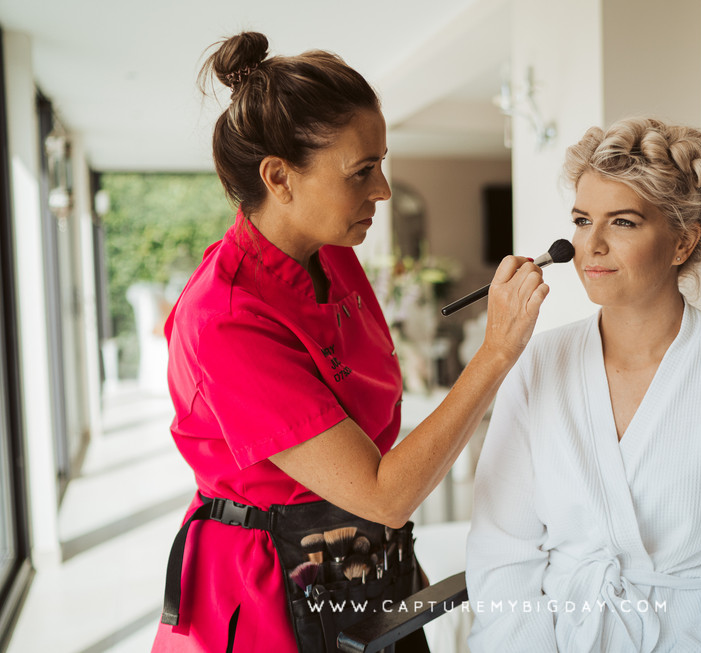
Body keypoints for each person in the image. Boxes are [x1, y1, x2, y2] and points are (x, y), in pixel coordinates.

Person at [152, 32, 548, 653]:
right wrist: (496, 351)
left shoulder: (333, 254)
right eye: (362, 171)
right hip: (274, 588)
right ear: (279, 177)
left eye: (381, 163)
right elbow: (385, 494)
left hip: (368, 557)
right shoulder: (224, 318)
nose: (384, 190)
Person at [466, 117, 701, 652]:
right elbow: (502, 548)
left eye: (622, 223)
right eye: (582, 220)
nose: (591, 245)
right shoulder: (536, 364)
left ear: (682, 243)